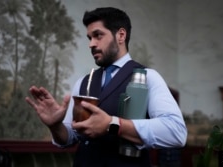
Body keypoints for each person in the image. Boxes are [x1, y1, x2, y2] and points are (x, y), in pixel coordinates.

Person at [25, 7, 187, 167]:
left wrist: (112, 124)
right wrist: (55, 126)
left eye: (98, 35)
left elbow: (176, 132)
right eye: (90, 38)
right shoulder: (83, 82)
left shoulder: (148, 77)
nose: (91, 44)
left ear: (121, 35)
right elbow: (70, 137)